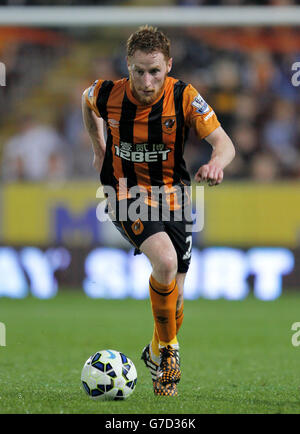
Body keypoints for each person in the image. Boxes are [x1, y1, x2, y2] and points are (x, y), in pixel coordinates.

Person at [82, 26, 235, 397]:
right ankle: (169, 354)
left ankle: (154, 351)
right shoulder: (106, 94)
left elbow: (224, 143)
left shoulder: (184, 96)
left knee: (176, 299)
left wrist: (217, 163)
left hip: (175, 199)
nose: (147, 82)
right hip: (125, 193)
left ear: (168, 65)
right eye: (138, 71)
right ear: (127, 67)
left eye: (155, 71)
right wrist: (99, 148)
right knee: (164, 262)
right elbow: (86, 101)